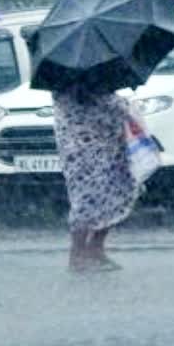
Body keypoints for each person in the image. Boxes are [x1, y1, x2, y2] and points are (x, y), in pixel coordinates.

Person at [51, 79, 143, 272]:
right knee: (88, 200)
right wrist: (125, 106)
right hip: (86, 155)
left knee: (110, 197)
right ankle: (78, 253)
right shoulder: (74, 91)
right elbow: (109, 111)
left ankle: (93, 250)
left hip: (104, 153)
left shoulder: (68, 88)